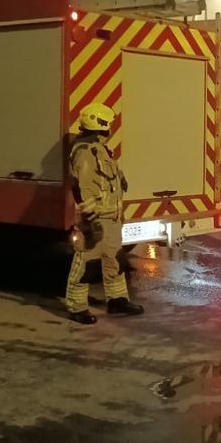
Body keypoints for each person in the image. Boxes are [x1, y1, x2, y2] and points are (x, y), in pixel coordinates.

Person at [65, 103, 144, 324]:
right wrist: (91, 221)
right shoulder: (85, 151)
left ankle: (117, 300)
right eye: (108, 122)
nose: (110, 126)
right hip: (96, 220)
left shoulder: (99, 148)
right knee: (86, 264)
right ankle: (77, 307)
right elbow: (84, 188)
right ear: (100, 124)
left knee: (115, 260)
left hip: (111, 218)